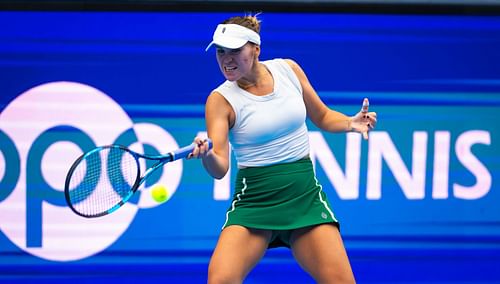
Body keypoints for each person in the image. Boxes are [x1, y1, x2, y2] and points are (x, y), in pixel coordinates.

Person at [189, 14, 377, 283]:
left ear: (256, 49)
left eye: (235, 50)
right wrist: (208, 155)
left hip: (304, 199)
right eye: (220, 51)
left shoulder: (288, 70)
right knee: (220, 280)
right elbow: (219, 167)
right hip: (254, 202)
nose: (226, 59)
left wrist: (350, 122)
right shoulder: (220, 100)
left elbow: (322, 116)